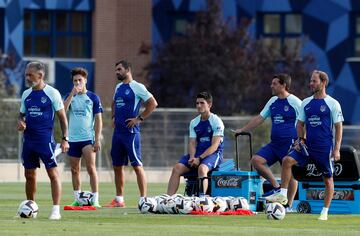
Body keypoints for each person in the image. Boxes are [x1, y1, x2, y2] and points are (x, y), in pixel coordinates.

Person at [265, 70, 344, 221]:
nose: (311, 83)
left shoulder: (333, 103)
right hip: (306, 146)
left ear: (323, 83)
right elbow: (300, 124)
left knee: (328, 180)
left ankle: (324, 212)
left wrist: (337, 148)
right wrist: (301, 139)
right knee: (287, 160)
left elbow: (339, 127)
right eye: (311, 80)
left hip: (324, 148)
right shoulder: (306, 102)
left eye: (314, 81)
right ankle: (282, 194)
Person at [235, 74, 302, 211]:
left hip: (289, 144)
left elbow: (304, 121)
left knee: (292, 176)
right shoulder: (272, 101)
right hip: (274, 144)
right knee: (256, 160)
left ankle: (288, 206)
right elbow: (260, 118)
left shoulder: (295, 102)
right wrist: (243, 129)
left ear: (283, 85)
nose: (271, 86)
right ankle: (277, 188)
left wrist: (301, 140)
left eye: (275, 83)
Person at [17, 61, 69, 220]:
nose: (27, 77)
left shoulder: (52, 93)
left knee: (53, 174)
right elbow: (22, 115)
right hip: (29, 141)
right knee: (29, 175)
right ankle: (30, 206)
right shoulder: (26, 94)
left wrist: (65, 139)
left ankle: (55, 210)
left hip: (45, 141)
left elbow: (62, 118)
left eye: (30, 75)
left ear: (40, 75)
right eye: (26, 74)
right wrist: (21, 123)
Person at [105, 60, 158, 207]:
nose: (117, 72)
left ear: (128, 70)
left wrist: (139, 118)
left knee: (136, 165)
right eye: (116, 70)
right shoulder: (118, 87)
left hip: (131, 133)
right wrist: (113, 117)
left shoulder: (137, 87)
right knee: (117, 166)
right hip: (118, 133)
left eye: (119, 69)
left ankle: (143, 199)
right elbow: (114, 102)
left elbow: (153, 103)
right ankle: (119, 199)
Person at [167, 92, 224, 196]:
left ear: (209, 105)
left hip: (214, 154)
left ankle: (201, 200)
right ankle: (167, 200)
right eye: (197, 103)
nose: (198, 106)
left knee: (202, 169)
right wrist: (192, 157)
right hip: (198, 154)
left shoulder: (217, 121)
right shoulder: (193, 122)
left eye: (202, 103)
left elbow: (215, 146)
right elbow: (192, 143)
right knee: (177, 168)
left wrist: (200, 159)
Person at [63, 67, 103, 207]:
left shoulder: (93, 97)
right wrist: (72, 95)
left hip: (87, 138)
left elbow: (98, 119)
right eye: (75, 80)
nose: (78, 82)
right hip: (73, 139)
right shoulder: (70, 95)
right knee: (75, 170)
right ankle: (77, 199)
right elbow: (62, 111)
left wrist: (97, 138)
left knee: (91, 168)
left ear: (85, 80)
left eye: (80, 80)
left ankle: (95, 199)